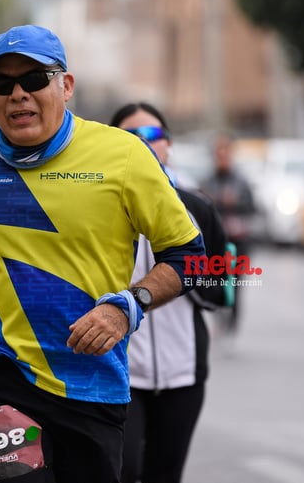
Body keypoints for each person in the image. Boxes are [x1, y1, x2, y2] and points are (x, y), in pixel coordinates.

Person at [0, 24, 206, 483]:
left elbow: (189, 257)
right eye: (3, 83)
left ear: (66, 86)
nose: (18, 94)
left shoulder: (124, 156)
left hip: (92, 383)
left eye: (34, 79)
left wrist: (129, 305)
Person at [110, 102, 230, 483]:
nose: (143, 144)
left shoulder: (196, 206)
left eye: (152, 136)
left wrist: (190, 276)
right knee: (124, 472)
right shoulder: (99, 205)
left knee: (166, 475)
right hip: (120, 373)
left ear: (168, 145)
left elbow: (219, 284)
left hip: (183, 374)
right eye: (130, 136)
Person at [200, 133, 256, 335]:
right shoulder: (207, 181)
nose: (222, 155)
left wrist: (235, 203)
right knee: (215, 282)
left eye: (226, 151)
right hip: (215, 242)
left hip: (238, 242)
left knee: (236, 285)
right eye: (218, 151)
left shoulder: (241, 182)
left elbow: (252, 208)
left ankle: (232, 323)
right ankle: (219, 317)